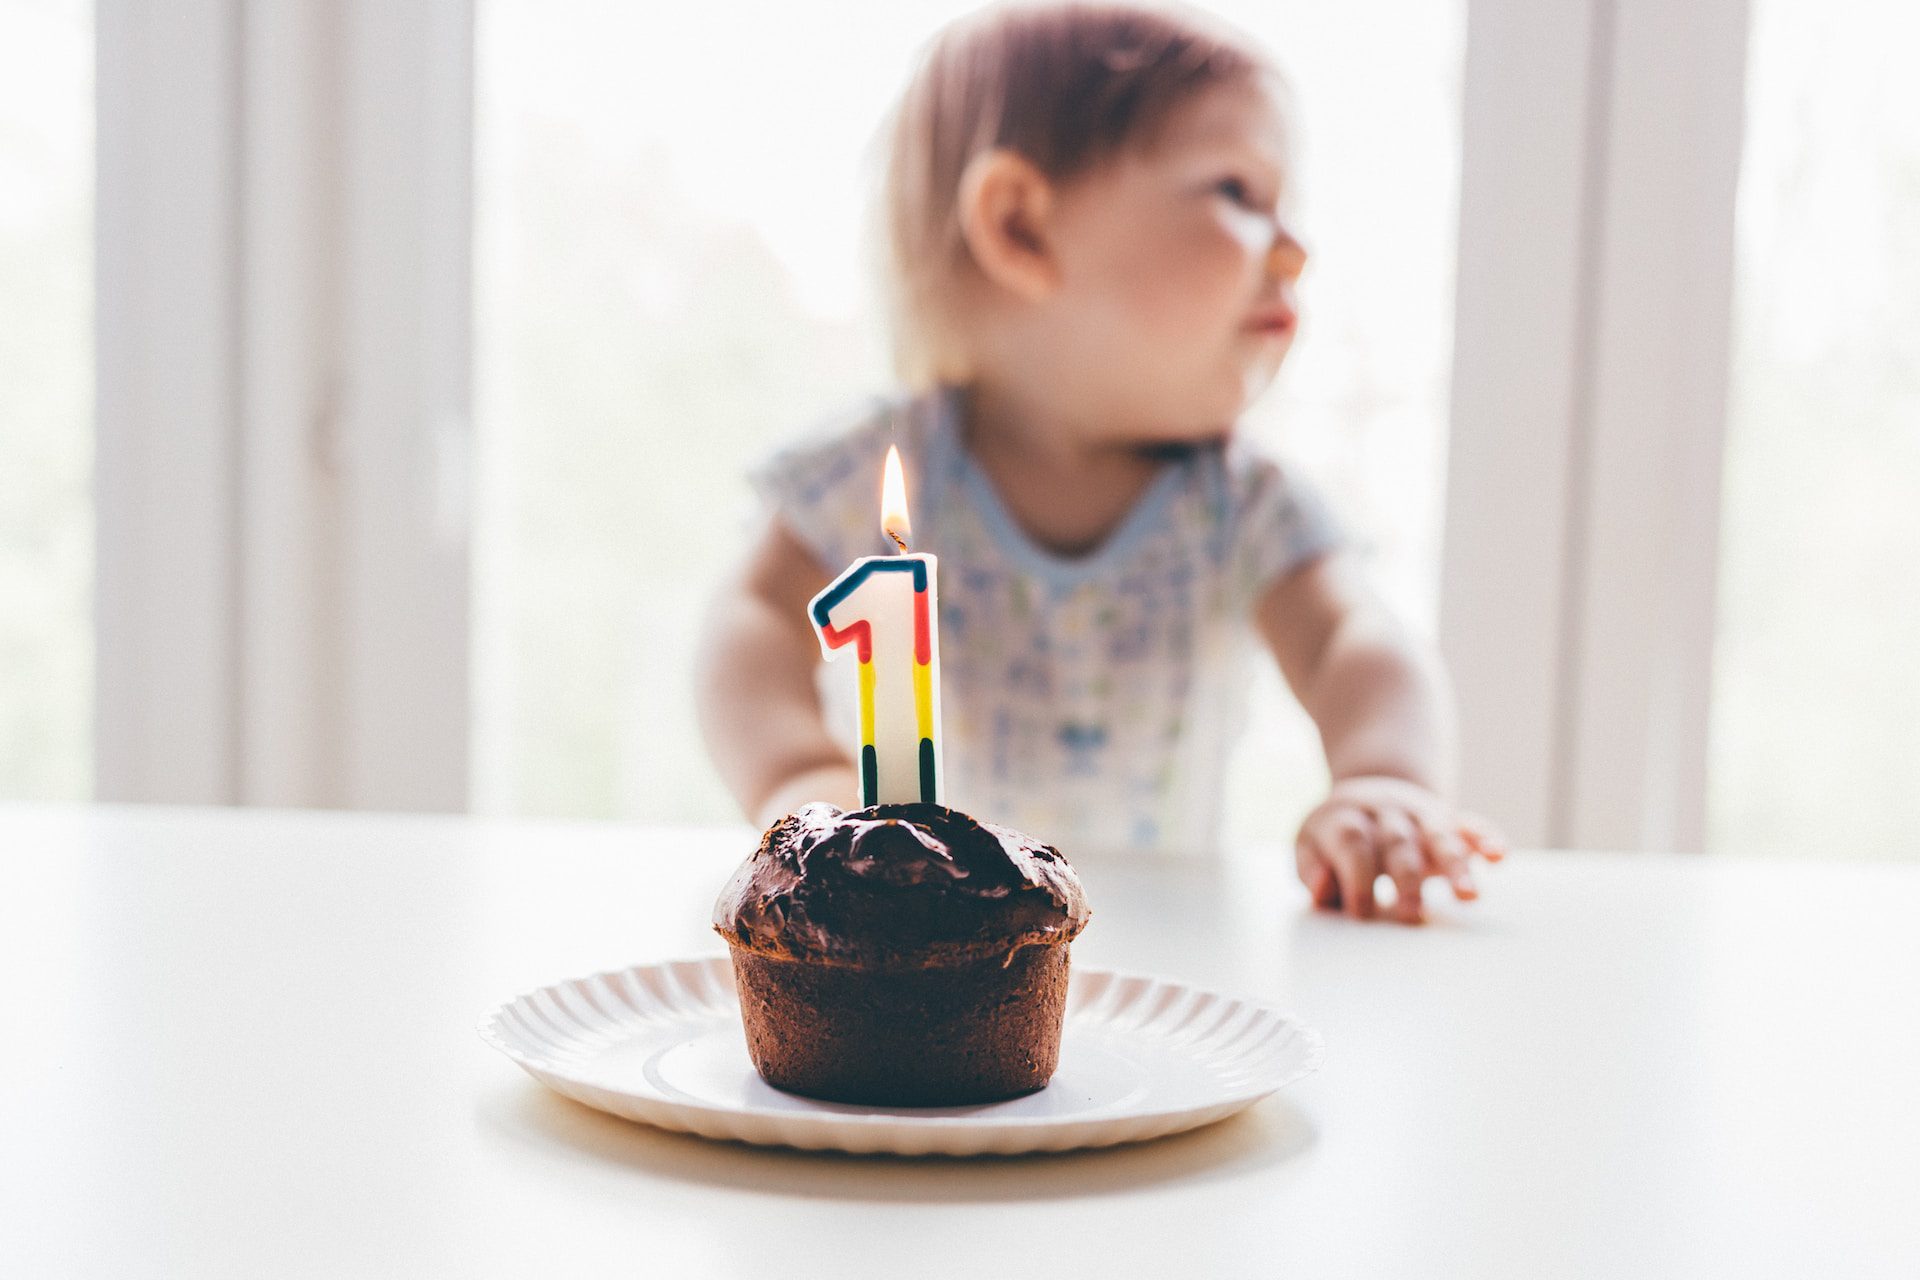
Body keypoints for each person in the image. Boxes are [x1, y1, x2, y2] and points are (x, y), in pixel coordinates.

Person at [696, 1, 1506, 922]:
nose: (1296, 248)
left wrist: (1382, 778)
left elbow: (1350, 640)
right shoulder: (889, 462)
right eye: (1238, 192)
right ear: (1022, 228)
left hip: (1162, 938)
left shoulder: (1238, 501)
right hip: (913, 932)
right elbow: (751, 618)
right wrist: (799, 775)